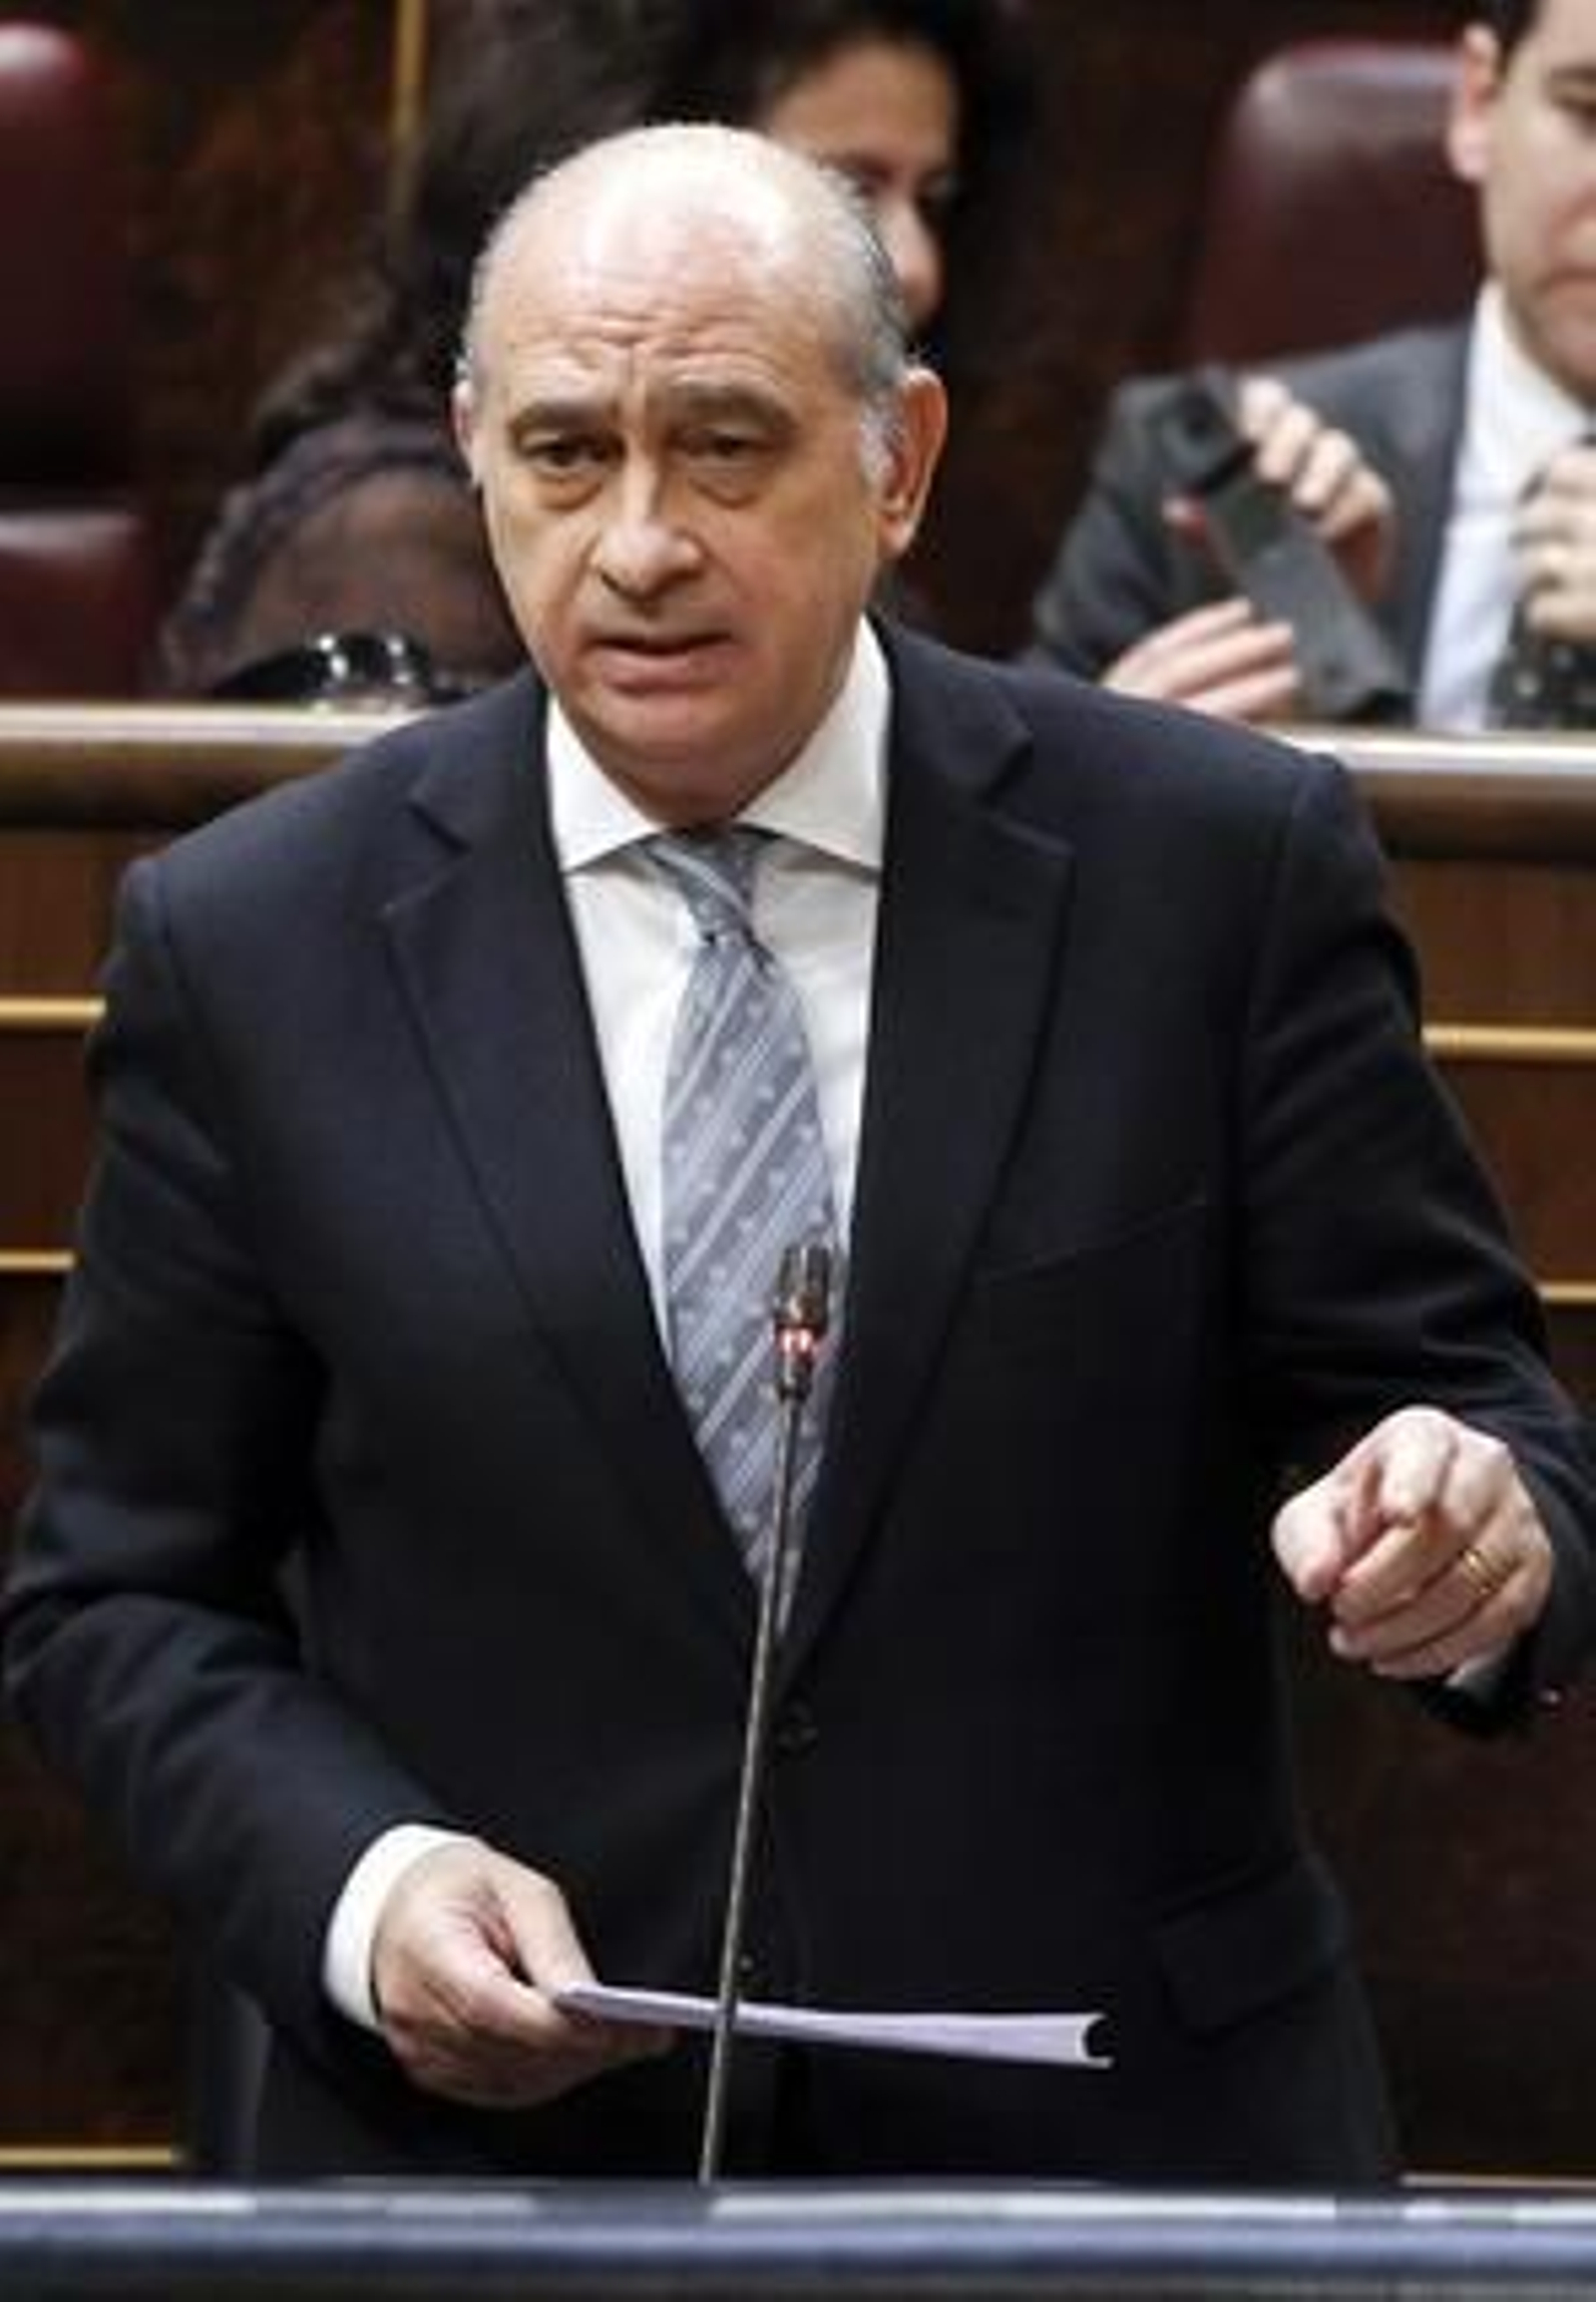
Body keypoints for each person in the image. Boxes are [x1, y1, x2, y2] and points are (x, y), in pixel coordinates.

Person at [5, 123, 1594, 2187]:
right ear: (474, 452)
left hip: (1107, 2157)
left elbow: (1472, 1413)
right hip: (485, 2172)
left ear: (897, 458)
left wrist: (1474, 1529)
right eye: (565, 454)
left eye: (725, 447)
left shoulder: (1210, 870)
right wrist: (364, 1883)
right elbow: (119, 1594)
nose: (639, 542)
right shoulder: (255, 943)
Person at [159, 0, 1026, 701]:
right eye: (848, 189)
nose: (916, 263)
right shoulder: (391, 537)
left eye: (932, 200)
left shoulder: (827, 489)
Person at [1027, 0, 1596, 731]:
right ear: (1481, 103)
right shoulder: (1210, 473)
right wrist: (1129, 760)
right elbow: (993, 789)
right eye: (1590, 113)